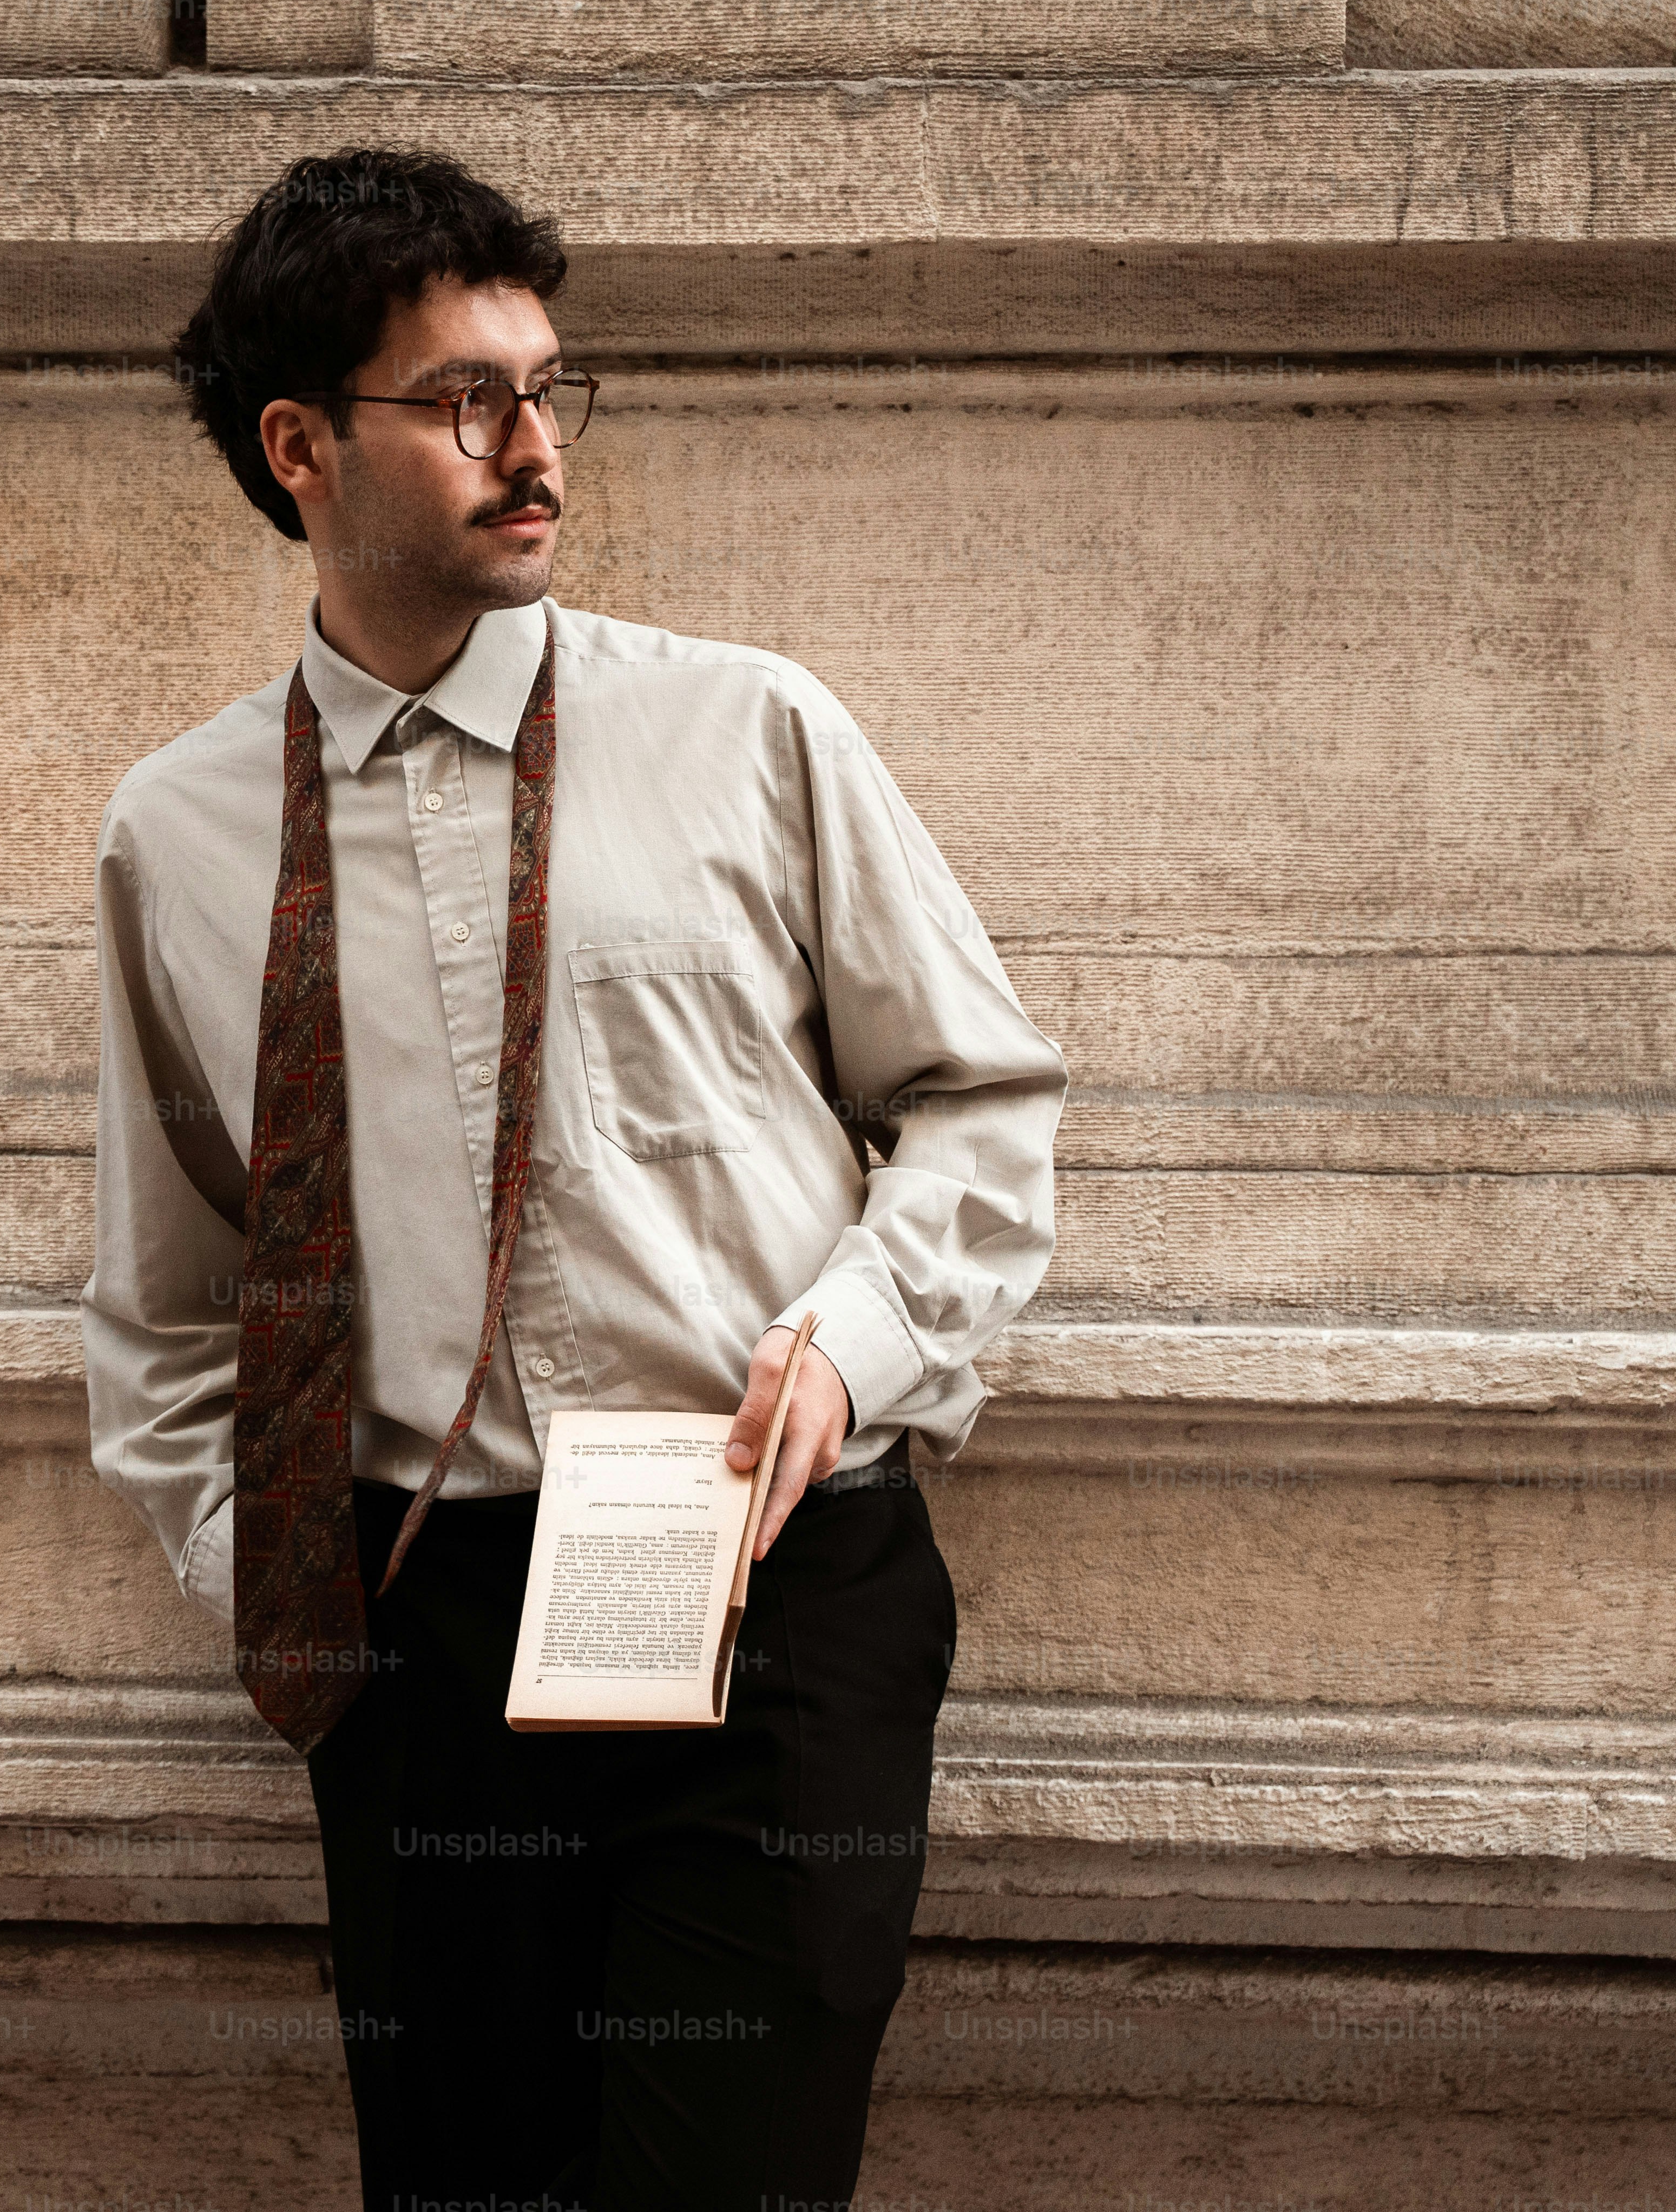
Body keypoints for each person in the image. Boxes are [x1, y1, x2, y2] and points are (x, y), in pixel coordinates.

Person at [83, 147, 1067, 2212]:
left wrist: (853, 1340)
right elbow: (177, 1289)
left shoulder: (750, 731)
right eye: (463, 400)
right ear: (298, 447)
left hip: (770, 1591)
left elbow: (979, 1097)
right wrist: (273, 1590)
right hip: (420, 1631)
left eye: (550, 389)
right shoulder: (176, 836)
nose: (534, 449)